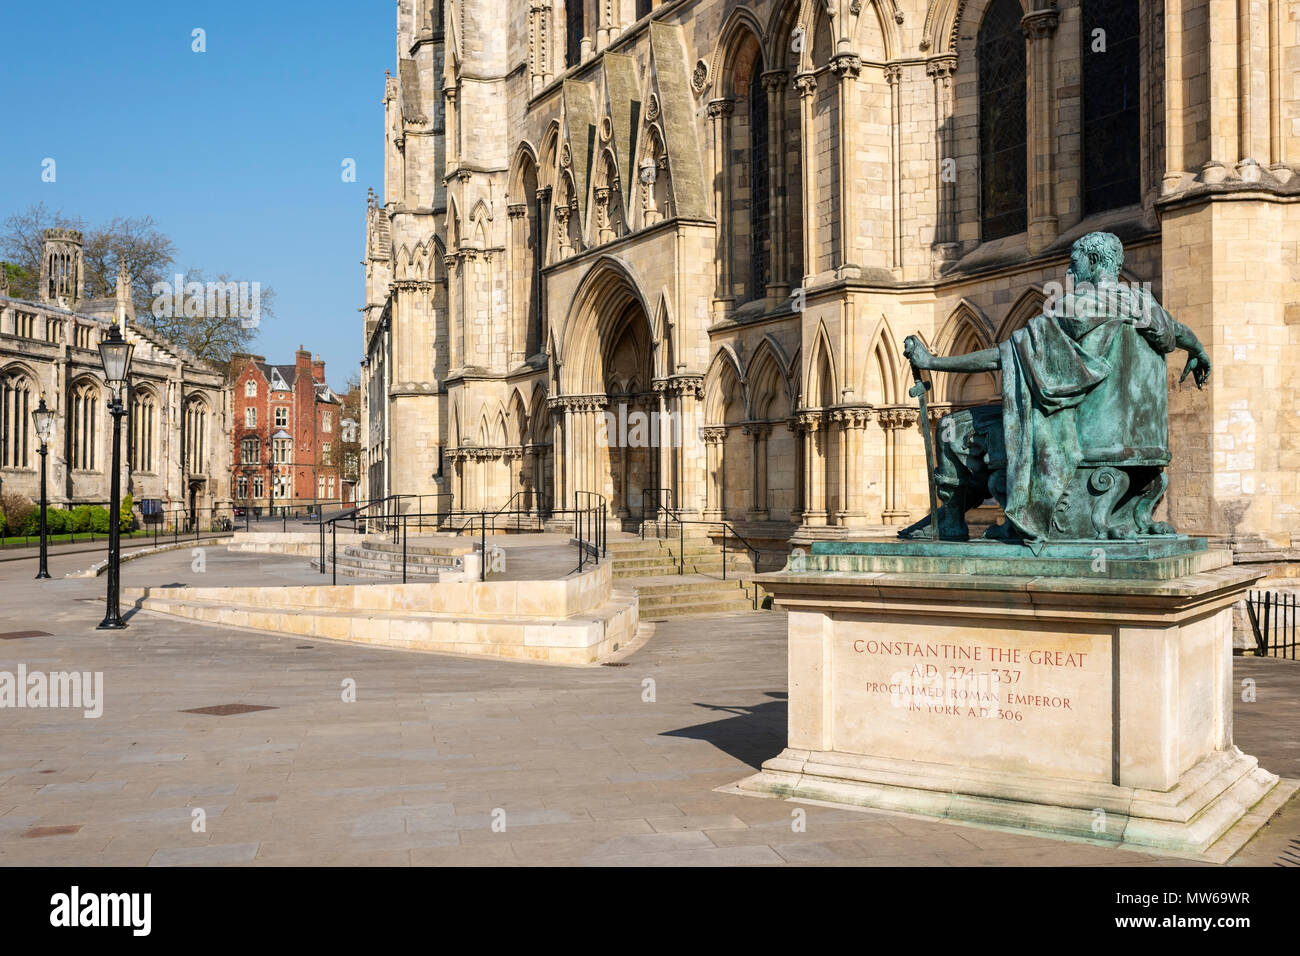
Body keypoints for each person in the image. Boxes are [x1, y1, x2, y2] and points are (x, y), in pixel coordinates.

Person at [900, 232, 1211, 542]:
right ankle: (949, 517)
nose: (1069, 272)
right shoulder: (1143, 303)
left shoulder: (1078, 306)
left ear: (1092, 261)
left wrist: (933, 363)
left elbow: (1005, 354)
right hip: (1133, 444)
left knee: (951, 426)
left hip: (1069, 429)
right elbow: (1179, 332)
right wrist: (1198, 351)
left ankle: (951, 520)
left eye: (1074, 263)